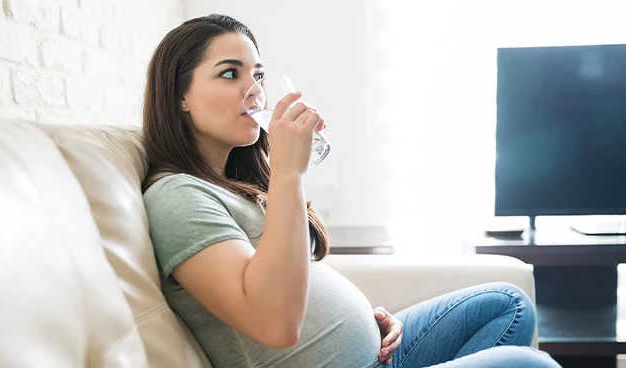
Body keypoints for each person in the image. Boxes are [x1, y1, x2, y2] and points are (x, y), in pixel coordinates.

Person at [141, 14, 561, 368]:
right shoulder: (177, 196)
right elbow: (274, 323)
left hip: (372, 354)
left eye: (259, 75)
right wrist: (288, 172)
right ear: (180, 96)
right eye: (230, 73)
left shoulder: (238, 183)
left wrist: (363, 316)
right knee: (530, 364)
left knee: (506, 304)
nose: (254, 91)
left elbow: (292, 275)